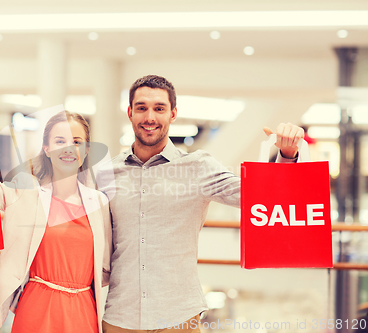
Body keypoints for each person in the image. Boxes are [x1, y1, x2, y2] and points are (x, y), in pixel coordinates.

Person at [95, 75, 305, 333]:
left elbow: (260, 196)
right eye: (142, 108)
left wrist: (287, 155)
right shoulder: (107, 173)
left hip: (178, 318)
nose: (150, 116)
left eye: (159, 108)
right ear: (130, 112)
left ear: (173, 114)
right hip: (120, 318)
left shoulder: (198, 167)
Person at [0, 110, 112, 333]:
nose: (69, 148)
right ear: (47, 149)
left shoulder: (99, 202)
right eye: (60, 141)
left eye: (77, 142)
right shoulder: (25, 194)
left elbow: (105, 269)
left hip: (82, 313)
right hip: (36, 310)